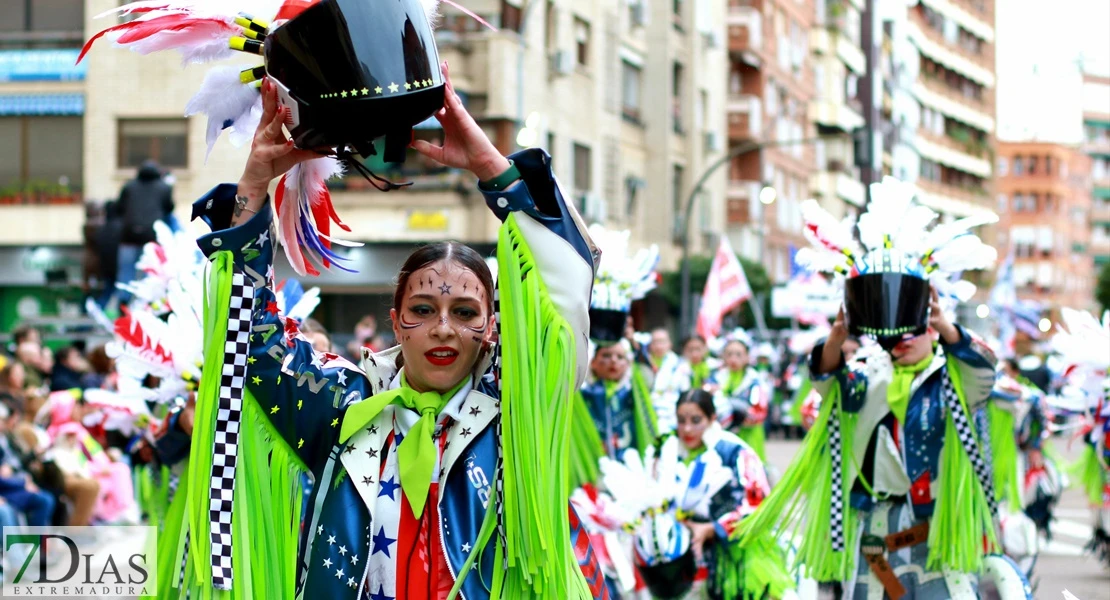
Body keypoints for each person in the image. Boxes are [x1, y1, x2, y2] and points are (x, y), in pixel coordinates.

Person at [172, 69, 608, 599]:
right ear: (395, 320)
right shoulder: (343, 404)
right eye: (422, 309)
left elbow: (562, 304)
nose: (443, 329)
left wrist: (494, 170)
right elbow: (247, 343)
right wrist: (255, 183)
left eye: (466, 312)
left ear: (492, 325)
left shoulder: (519, 403)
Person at [736, 179, 1019, 598]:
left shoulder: (953, 377)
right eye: (898, 329)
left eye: (918, 328)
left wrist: (945, 326)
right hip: (879, 528)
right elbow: (828, 383)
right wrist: (835, 339)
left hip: (940, 528)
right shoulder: (869, 375)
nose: (905, 337)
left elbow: (985, 370)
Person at [673, 389, 790, 600]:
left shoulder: (734, 450)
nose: (687, 428)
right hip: (694, 561)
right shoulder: (671, 452)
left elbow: (758, 504)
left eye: (696, 420)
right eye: (681, 420)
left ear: (712, 418)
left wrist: (713, 529)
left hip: (742, 557)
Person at [117, 160, 174, 304]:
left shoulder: (129, 187)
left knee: (126, 272)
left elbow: (119, 208)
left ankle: (123, 302)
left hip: (128, 236)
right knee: (149, 272)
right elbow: (169, 208)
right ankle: (145, 303)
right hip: (151, 236)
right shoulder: (164, 188)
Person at [709, 334, 772, 460]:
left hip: (749, 434)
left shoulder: (754, 380)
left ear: (747, 357)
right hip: (722, 434)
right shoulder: (715, 379)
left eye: (738, 354)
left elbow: (760, 411)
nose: (733, 359)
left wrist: (736, 411)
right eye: (729, 354)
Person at [638, 327, 686, 434]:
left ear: (670, 344)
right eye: (655, 342)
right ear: (650, 345)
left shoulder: (679, 365)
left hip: (671, 414)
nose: (659, 346)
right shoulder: (642, 364)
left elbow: (684, 392)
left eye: (662, 342)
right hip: (647, 413)